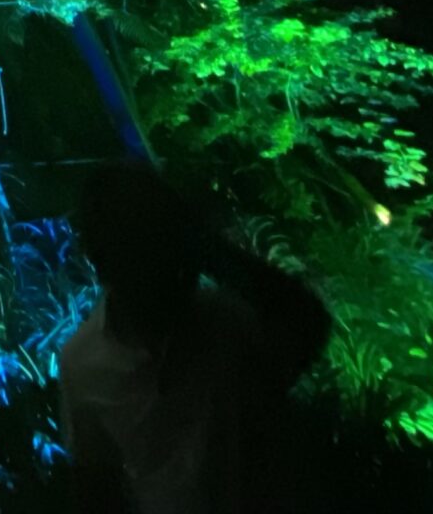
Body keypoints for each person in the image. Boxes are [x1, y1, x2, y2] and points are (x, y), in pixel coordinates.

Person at [56, 160, 331, 514]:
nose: (169, 276)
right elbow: (96, 490)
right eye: (144, 255)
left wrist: (209, 250)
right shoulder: (84, 365)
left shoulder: (226, 323)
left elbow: (306, 324)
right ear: (106, 261)